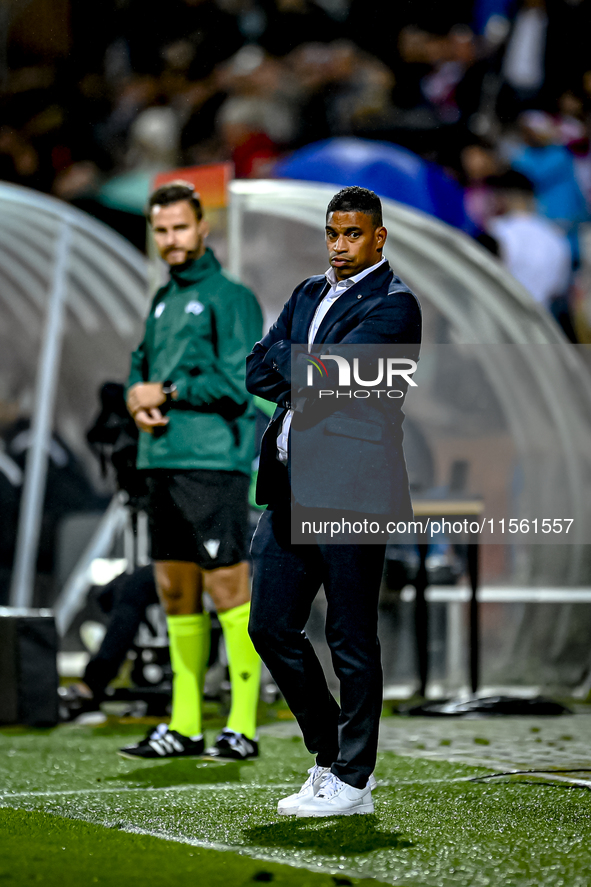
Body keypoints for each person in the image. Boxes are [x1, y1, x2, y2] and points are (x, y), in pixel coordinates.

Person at [245, 186, 421, 816]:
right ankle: (329, 756)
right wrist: (310, 367)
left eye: (352, 235)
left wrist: (307, 368)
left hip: (353, 490)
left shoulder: (397, 307)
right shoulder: (306, 293)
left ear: (378, 238)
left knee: (350, 636)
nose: (339, 246)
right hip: (291, 488)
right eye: (332, 234)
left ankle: (354, 778)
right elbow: (257, 370)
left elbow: (343, 379)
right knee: (268, 626)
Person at [120, 181, 263, 760]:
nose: (170, 240)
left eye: (180, 228)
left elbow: (240, 384)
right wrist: (136, 394)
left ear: (203, 228)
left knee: (227, 587)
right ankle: (184, 725)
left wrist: (167, 390)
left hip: (211, 461)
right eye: (161, 230)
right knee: (174, 592)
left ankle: (244, 726)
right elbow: (141, 364)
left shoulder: (232, 297)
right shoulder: (161, 299)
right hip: (161, 460)